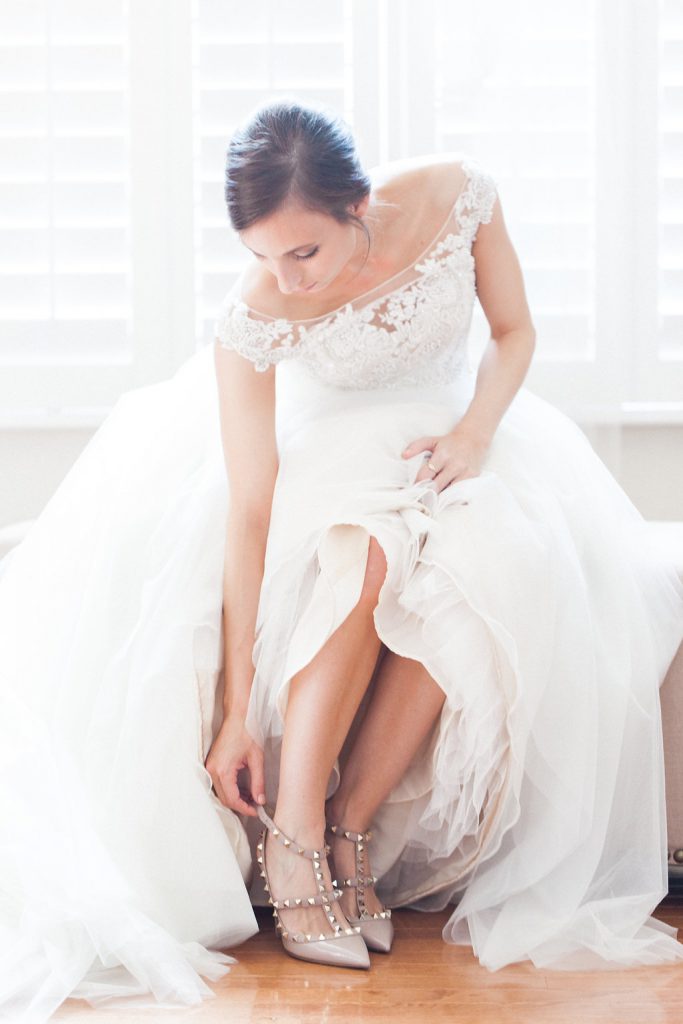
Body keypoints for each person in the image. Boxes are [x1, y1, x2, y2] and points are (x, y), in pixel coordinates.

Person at [1, 96, 682, 1018]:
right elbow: (251, 505)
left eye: (302, 252)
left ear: (357, 206)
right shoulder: (253, 317)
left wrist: (476, 433)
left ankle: (351, 832)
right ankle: (294, 837)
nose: (282, 277)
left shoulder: (456, 198)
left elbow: (514, 333)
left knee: (490, 559)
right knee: (362, 546)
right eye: (258, 256)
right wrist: (239, 709)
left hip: (450, 439)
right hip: (324, 457)